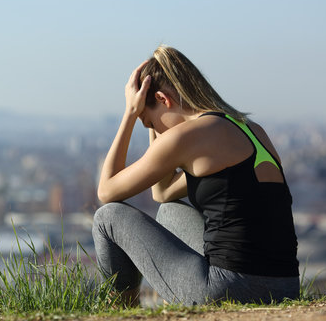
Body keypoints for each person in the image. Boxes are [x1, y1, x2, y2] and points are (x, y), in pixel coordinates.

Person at [93, 45, 299, 307]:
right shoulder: (251, 129)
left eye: (151, 122)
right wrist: (153, 120)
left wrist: (131, 113)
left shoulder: (186, 137)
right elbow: (163, 193)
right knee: (169, 212)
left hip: (229, 289)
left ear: (163, 99)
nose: (156, 131)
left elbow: (106, 191)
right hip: (286, 286)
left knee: (107, 217)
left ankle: (121, 313)